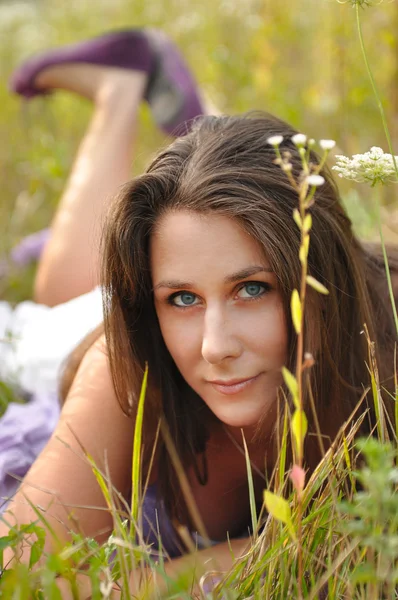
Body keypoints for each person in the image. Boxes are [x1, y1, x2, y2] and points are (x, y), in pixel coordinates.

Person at [1, 27, 397, 596]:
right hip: (81, 342)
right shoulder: (126, 360)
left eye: (253, 289)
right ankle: (120, 91)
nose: (215, 345)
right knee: (46, 310)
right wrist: (267, 550)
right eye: (183, 299)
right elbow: (20, 580)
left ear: (317, 280)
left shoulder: (382, 365)